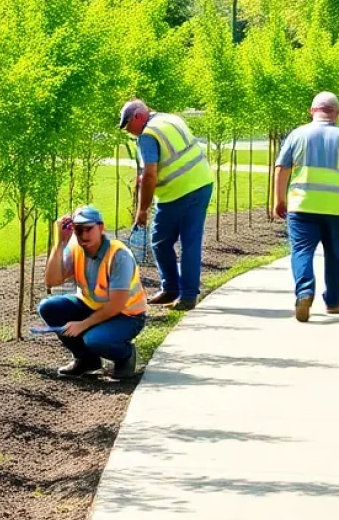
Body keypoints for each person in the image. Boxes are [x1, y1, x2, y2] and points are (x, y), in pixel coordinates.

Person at [274, 91, 339, 322]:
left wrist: (279, 199)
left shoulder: (297, 135)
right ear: (336, 113)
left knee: (302, 251)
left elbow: (282, 168)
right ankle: (333, 302)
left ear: (312, 111)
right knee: (335, 253)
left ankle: (304, 292)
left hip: (302, 206)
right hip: (335, 209)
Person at [120, 99, 214, 311]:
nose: (129, 132)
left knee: (160, 242)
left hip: (176, 192)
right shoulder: (171, 119)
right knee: (191, 242)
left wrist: (142, 210)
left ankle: (173, 289)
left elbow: (151, 174)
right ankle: (184, 294)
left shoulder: (147, 135)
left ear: (138, 117)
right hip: (202, 183)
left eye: (128, 127)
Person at [37, 205, 147, 380]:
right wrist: (60, 243)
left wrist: (83, 324)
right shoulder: (76, 248)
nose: (83, 235)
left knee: (94, 340)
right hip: (91, 306)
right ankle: (87, 360)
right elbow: (51, 281)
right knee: (48, 307)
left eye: (88, 229)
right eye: (78, 230)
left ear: (101, 227)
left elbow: (116, 305)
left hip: (127, 315)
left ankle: (126, 355)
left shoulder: (119, 255)